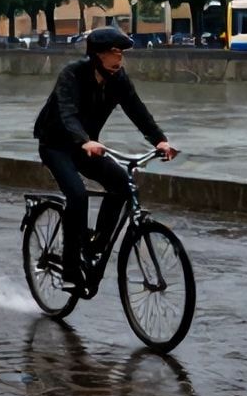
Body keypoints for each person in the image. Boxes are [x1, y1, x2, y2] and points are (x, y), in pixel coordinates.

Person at [33, 26, 178, 289]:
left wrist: (160, 140)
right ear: (97, 54)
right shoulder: (72, 75)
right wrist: (84, 139)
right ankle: (69, 270)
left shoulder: (118, 79)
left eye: (121, 52)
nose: (119, 57)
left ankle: (95, 243)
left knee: (122, 183)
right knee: (77, 195)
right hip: (56, 145)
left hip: (86, 146)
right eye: (114, 52)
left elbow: (138, 110)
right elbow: (68, 113)